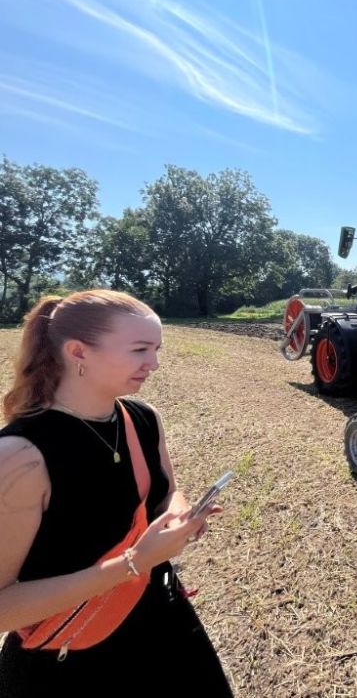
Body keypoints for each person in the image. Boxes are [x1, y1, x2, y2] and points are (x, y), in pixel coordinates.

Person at [0, 290, 233, 696]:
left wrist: (180, 518)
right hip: (73, 657)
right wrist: (133, 562)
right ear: (78, 352)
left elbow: (167, 493)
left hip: (164, 621)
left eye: (156, 349)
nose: (155, 364)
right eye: (140, 349)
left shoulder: (142, 418)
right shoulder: (21, 457)